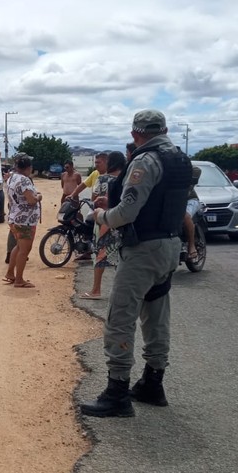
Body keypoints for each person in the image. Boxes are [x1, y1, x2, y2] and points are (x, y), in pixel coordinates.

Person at [80, 109, 192, 418]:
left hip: (143, 249)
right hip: (170, 245)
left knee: (121, 316)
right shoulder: (179, 159)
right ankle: (153, 383)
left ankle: (117, 392)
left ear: (135, 134)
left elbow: (127, 214)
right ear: (165, 129)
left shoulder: (145, 161)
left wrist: (101, 216)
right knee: (157, 315)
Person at [80, 152, 125, 300]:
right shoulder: (126, 180)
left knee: (100, 255)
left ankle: (96, 290)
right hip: (122, 222)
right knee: (121, 255)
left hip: (104, 222)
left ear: (109, 162)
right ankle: (121, 291)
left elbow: (95, 200)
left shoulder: (103, 179)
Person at [2, 155, 41, 288]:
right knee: (24, 250)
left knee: (18, 247)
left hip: (14, 217)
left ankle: (10, 273)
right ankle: (19, 279)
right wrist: (38, 197)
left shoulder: (12, 177)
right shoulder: (24, 180)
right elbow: (31, 200)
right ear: (29, 168)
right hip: (25, 220)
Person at [183, 164, 203, 260]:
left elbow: (196, 170)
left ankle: (191, 245)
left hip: (190, 200)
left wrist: (188, 183)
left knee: (185, 216)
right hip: (171, 201)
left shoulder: (178, 164)